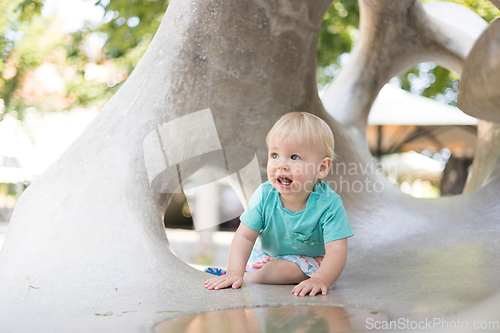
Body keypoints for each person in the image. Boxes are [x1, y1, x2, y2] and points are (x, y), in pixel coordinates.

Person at [204, 112, 354, 296]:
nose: (281, 165)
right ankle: (239, 275)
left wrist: (320, 279)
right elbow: (244, 237)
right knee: (265, 266)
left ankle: (251, 277)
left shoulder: (329, 204)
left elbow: (336, 249)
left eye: (294, 157)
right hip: (267, 255)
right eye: (275, 155)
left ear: (321, 168)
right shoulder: (265, 195)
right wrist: (234, 271)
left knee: (287, 271)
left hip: (310, 259)